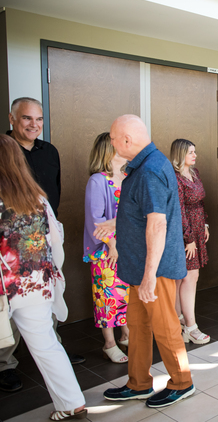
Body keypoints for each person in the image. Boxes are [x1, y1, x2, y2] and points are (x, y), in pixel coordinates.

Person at [99, 115, 194, 408]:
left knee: (165, 326)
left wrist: (150, 275)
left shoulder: (150, 170)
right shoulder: (145, 165)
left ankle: (182, 382)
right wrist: (117, 223)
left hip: (155, 268)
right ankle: (138, 383)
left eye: (113, 138)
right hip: (140, 267)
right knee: (138, 326)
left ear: (126, 141)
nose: (111, 143)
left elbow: (157, 224)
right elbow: (143, 211)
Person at [0, 135, 86, 420]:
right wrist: (53, 276)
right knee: (47, 345)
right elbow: (55, 241)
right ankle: (72, 402)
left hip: (5, 288)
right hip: (36, 284)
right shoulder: (38, 198)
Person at [83, 132, 129, 364]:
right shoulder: (98, 181)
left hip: (130, 247)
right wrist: (112, 244)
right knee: (107, 295)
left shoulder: (129, 176)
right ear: (108, 150)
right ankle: (109, 342)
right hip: (106, 249)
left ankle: (126, 334)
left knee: (126, 294)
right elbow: (96, 220)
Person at [170, 139, 211, 345]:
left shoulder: (194, 174)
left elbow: (200, 202)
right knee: (188, 277)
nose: (195, 155)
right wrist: (189, 238)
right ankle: (190, 326)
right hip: (183, 232)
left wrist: (204, 225)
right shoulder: (175, 178)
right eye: (190, 152)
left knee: (185, 278)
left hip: (197, 226)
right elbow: (179, 210)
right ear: (179, 155)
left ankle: (180, 326)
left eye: (195, 151)